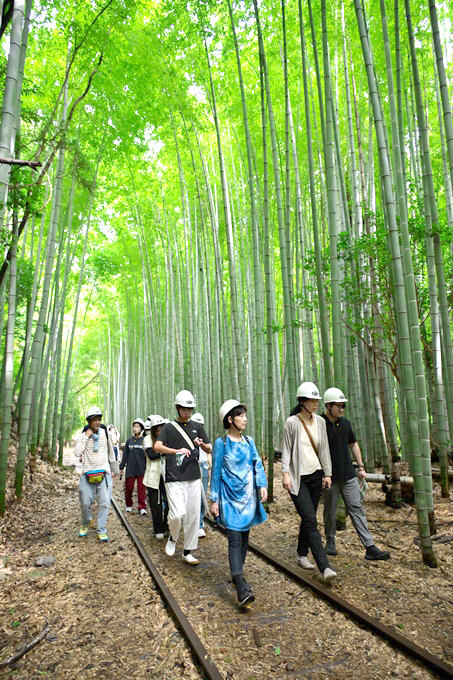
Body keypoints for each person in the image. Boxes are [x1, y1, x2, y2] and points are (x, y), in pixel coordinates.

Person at [321, 388, 390, 561]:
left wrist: (361, 467)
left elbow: (353, 444)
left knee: (356, 508)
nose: (342, 409)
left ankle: (369, 546)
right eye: (339, 406)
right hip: (329, 476)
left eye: (344, 406)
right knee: (330, 510)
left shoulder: (345, 423)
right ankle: (330, 541)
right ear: (328, 406)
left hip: (348, 474)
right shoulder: (319, 424)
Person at [210, 400, 267, 606]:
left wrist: (262, 484)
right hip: (229, 499)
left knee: (244, 539)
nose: (245, 418)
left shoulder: (249, 441)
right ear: (230, 419)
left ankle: (238, 575)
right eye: (240, 415)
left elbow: (257, 463)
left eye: (245, 415)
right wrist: (213, 500)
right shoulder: (221, 444)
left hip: (248, 499)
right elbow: (215, 472)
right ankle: (240, 586)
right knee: (234, 539)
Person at [282, 382, 337, 582]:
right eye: (312, 400)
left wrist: (328, 473)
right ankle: (325, 567)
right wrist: (285, 474)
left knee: (309, 517)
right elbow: (287, 449)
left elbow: (324, 450)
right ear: (302, 401)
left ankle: (301, 553)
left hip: (316, 475)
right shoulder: (292, 423)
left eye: (317, 400)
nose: (315, 403)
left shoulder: (320, 422)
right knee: (311, 521)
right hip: (298, 479)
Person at [154, 390, 211, 565]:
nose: (187, 412)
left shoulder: (197, 427)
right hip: (174, 476)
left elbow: (209, 448)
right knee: (177, 514)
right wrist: (175, 451)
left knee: (193, 515)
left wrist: (201, 444)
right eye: (184, 409)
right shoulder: (169, 428)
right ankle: (173, 536)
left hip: (193, 475)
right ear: (178, 408)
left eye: (190, 409)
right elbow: (157, 446)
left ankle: (188, 551)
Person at [75, 406, 116, 542]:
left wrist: (113, 469)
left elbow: (111, 451)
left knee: (104, 503)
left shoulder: (105, 433)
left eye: (99, 419)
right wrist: (86, 437)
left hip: (104, 473)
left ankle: (101, 529)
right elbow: (77, 452)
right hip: (88, 474)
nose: (97, 422)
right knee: (85, 502)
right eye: (94, 420)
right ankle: (86, 522)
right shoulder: (84, 435)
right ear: (89, 422)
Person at [143, 415, 168, 539]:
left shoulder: (167, 438)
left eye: (161, 428)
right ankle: (157, 529)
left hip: (167, 475)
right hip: (153, 477)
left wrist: (161, 451)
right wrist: (165, 451)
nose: (159, 430)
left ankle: (166, 526)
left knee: (169, 503)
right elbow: (151, 455)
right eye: (157, 428)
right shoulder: (147, 439)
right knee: (155, 504)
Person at [120, 418, 147, 515]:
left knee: (141, 489)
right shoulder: (129, 441)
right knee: (129, 487)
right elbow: (125, 455)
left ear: (142, 428)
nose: (135, 429)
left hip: (141, 468)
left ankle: (142, 507)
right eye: (134, 427)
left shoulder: (145, 441)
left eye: (137, 427)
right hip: (130, 468)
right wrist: (122, 467)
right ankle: (128, 505)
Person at [191, 412, 212, 538]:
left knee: (202, 497)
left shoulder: (204, 438)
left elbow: (209, 450)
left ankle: (199, 523)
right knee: (193, 498)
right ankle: (195, 523)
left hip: (203, 467)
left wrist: (210, 466)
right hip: (191, 468)